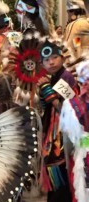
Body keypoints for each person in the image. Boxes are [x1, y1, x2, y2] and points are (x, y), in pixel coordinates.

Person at [37, 40, 78, 202]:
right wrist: (43, 93)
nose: (51, 62)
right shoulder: (53, 77)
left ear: (62, 57)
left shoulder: (66, 77)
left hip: (64, 140)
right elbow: (46, 108)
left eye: (54, 57)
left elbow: (69, 111)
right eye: (46, 60)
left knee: (64, 184)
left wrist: (47, 90)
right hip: (53, 138)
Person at [60, 60, 89, 202]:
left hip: (83, 154)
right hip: (83, 157)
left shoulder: (72, 105)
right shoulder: (72, 105)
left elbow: (69, 143)